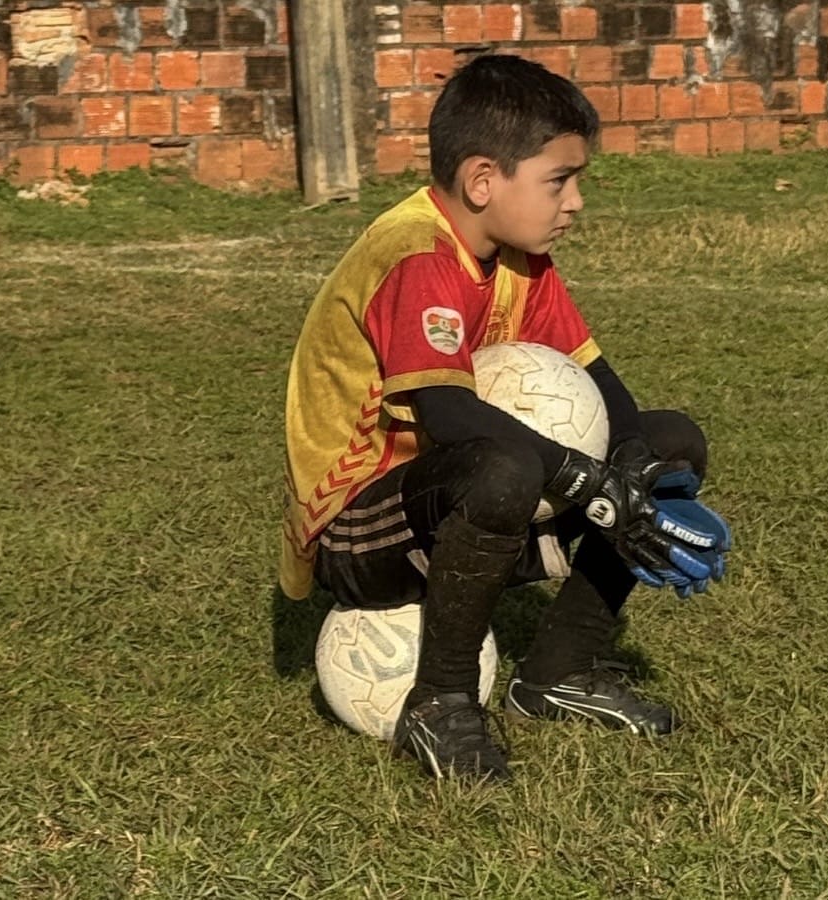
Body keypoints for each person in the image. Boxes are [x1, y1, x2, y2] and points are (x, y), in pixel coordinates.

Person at [279, 54, 730, 781]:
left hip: (454, 498)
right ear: (483, 180)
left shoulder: (521, 258)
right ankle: (442, 702)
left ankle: (561, 670)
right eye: (560, 180)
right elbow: (450, 413)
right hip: (356, 528)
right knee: (503, 462)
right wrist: (588, 485)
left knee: (673, 440)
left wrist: (635, 463)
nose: (576, 201)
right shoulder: (415, 253)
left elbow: (597, 374)